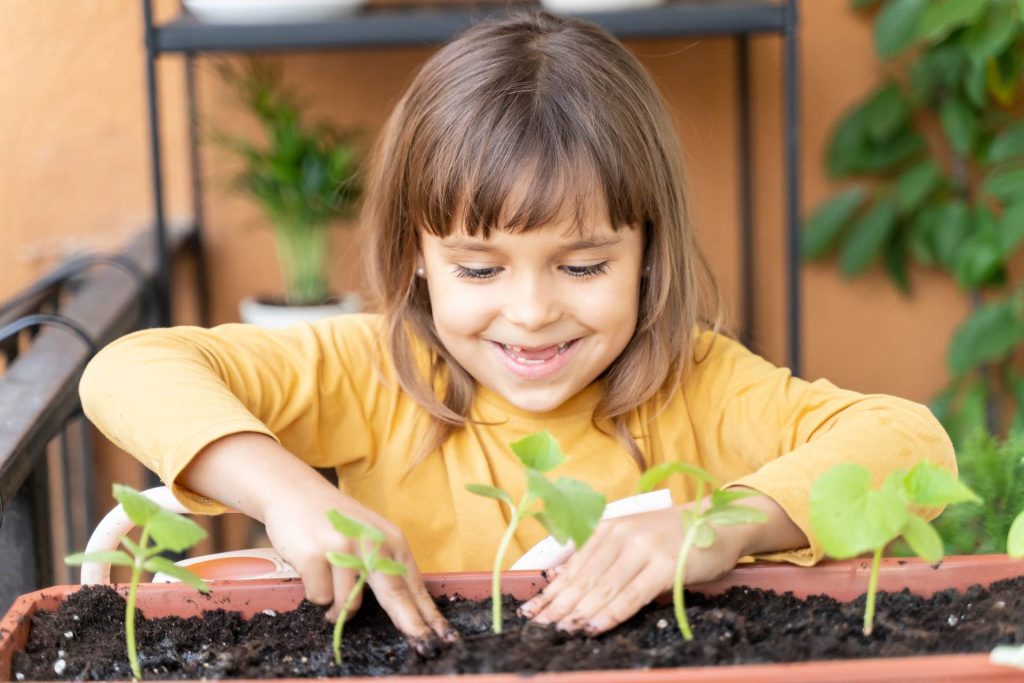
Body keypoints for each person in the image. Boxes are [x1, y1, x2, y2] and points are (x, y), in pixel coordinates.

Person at [80, 11, 954, 652]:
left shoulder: (695, 380)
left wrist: (717, 524)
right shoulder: (375, 367)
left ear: (649, 253)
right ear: (415, 258)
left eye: (582, 267)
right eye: (479, 267)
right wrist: (287, 492)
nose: (532, 312)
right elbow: (129, 367)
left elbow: (909, 445)